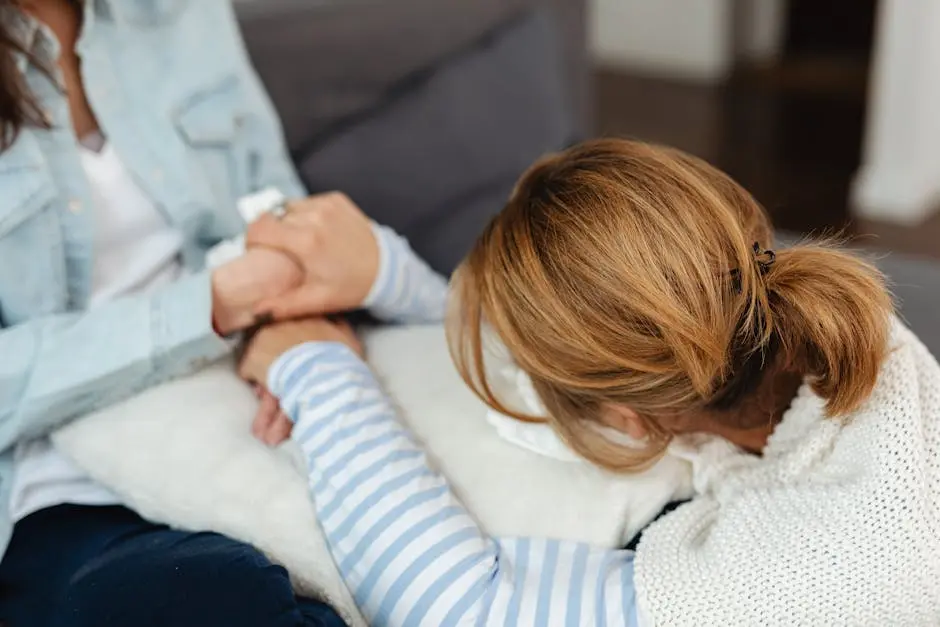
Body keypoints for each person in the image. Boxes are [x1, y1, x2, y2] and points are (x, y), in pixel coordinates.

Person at [240, 138, 940, 626]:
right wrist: (387, 279)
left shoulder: (811, 571)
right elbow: (611, 342)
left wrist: (317, 366)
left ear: (627, 420)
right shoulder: (810, 313)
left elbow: (464, 610)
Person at [0, 1, 440, 625]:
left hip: (258, 402)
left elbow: (273, 201)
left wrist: (294, 319)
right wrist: (208, 308)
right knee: (217, 596)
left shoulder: (179, 11)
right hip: (64, 490)